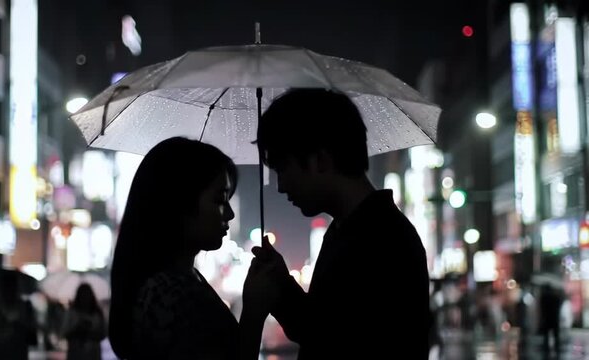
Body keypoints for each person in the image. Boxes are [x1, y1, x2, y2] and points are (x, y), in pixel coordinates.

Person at [247, 88, 430, 359]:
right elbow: (322, 328)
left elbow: (338, 343)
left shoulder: (382, 240)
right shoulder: (347, 230)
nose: (281, 186)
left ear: (321, 160)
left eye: (283, 169)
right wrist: (281, 285)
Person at [109, 137, 269, 360]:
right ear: (179, 203)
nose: (230, 214)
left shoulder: (177, 281)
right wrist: (253, 314)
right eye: (220, 199)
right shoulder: (170, 293)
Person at [0, 271, 37, 360]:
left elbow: (31, 326)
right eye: (6, 287)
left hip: (17, 350)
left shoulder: (24, 306)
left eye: (11, 286)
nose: (9, 290)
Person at [62, 283, 106, 360]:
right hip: (76, 353)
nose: (85, 298)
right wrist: (78, 329)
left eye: (87, 295)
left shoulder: (97, 313)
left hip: (93, 353)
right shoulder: (72, 312)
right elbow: (65, 333)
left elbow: (103, 333)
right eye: (83, 295)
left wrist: (90, 333)